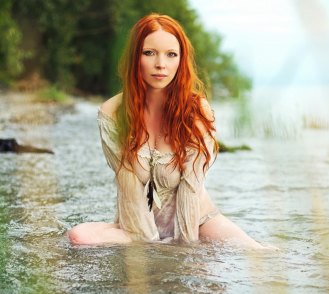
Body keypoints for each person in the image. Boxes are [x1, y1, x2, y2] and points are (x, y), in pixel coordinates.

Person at [68, 13, 263, 248]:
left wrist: (185, 249)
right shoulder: (112, 113)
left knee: (260, 252)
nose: (161, 64)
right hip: (135, 224)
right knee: (78, 237)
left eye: (171, 55)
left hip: (198, 221)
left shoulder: (196, 110)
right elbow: (129, 187)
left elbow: (191, 188)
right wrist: (151, 247)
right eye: (149, 53)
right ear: (135, 58)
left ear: (181, 61)